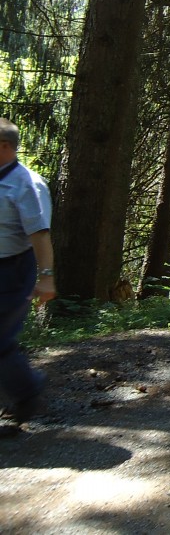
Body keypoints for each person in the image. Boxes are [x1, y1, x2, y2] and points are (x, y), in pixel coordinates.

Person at [0, 118, 55, 428]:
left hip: (12, 270)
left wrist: (46, 276)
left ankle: (27, 391)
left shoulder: (26, 185)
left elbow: (40, 235)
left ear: (5, 147)